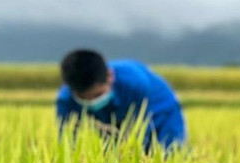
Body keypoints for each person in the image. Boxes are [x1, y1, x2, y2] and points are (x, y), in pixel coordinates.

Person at [56, 50, 186, 152]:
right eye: (85, 98)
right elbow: (67, 141)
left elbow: (140, 130)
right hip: (116, 114)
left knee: (168, 150)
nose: (92, 102)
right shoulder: (65, 100)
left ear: (110, 77)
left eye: (98, 95)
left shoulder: (134, 84)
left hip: (159, 110)